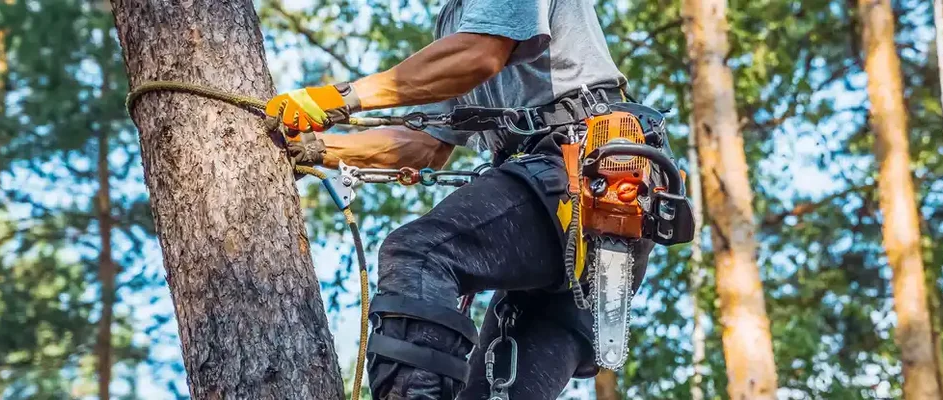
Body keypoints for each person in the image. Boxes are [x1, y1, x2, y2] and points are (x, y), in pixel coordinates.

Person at [267, 0, 666, 398]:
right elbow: (424, 145)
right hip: (569, 200)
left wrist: (341, 96)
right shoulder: (455, 20)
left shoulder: (470, 39)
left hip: (585, 169)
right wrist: (317, 149)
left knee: (419, 255)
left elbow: (480, 54)